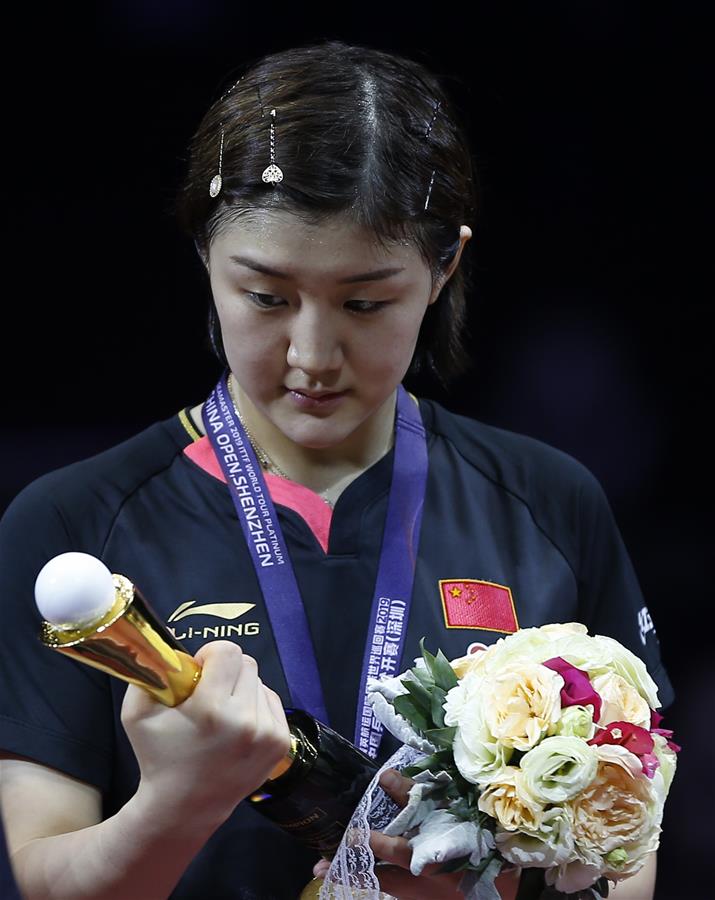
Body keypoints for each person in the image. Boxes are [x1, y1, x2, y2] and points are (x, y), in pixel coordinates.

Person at [0, 40, 673, 900]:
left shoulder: (549, 503)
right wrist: (175, 802)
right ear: (204, 254)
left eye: (365, 303)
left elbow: (629, 858)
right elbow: (42, 877)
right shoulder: (71, 525)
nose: (313, 355)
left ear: (443, 269)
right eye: (267, 297)